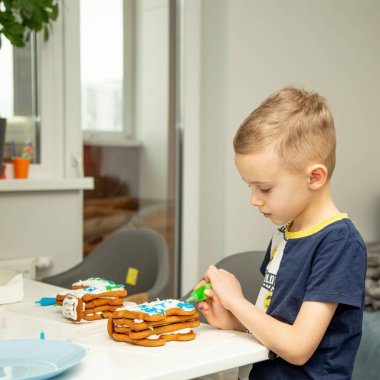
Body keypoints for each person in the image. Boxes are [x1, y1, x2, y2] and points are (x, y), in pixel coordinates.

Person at [197, 86, 367, 379]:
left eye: (264, 188)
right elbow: (276, 325)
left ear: (314, 177)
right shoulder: (285, 233)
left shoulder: (339, 244)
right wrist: (236, 320)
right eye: (249, 186)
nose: (253, 199)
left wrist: (237, 302)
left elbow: (298, 347)